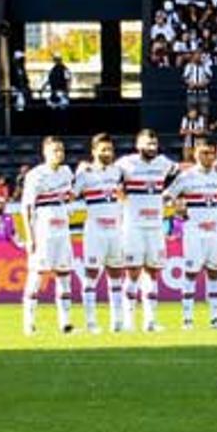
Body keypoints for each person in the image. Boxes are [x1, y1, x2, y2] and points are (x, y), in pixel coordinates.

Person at [116, 128, 176, 333]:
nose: (151, 147)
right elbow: (109, 179)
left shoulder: (164, 163)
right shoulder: (125, 163)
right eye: (147, 144)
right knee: (133, 272)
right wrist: (123, 200)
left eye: (154, 144)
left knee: (152, 271)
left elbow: (181, 172)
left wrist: (169, 195)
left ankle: (150, 321)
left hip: (155, 226)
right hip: (133, 226)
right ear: (137, 145)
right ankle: (128, 321)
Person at [165, 139, 217, 331]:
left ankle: (216, 318)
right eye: (203, 153)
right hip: (194, 230)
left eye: (211, 153)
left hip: (214, 230)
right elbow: (167, 197)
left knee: (215, 272)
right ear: (195, 153)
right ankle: (187, 319)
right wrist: (176, 207)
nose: (207, 157)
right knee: (191, 273)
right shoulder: (186, 177)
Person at [18, 136, 77, 336]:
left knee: (64, 274)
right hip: (43, 227)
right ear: (45, 152)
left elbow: (68, 197)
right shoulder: (35, 175)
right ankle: (29, 323)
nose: (59, 154)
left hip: (62, 228)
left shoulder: (67, 172)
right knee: (37, 275)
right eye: (55, 150)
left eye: (61, 150)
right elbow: (26, 207)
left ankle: (66, 323)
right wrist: (30, 237)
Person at [73, 133, 127, 333]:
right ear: (94, 151)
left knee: (116, 274)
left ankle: (118, 321)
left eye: (110, 150)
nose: (107, 153)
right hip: (95, 230)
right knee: (91, 275)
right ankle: (91, 322)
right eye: (103, 150)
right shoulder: (84, 174)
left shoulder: (117, 172)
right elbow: (70, 195)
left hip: (115, 229)